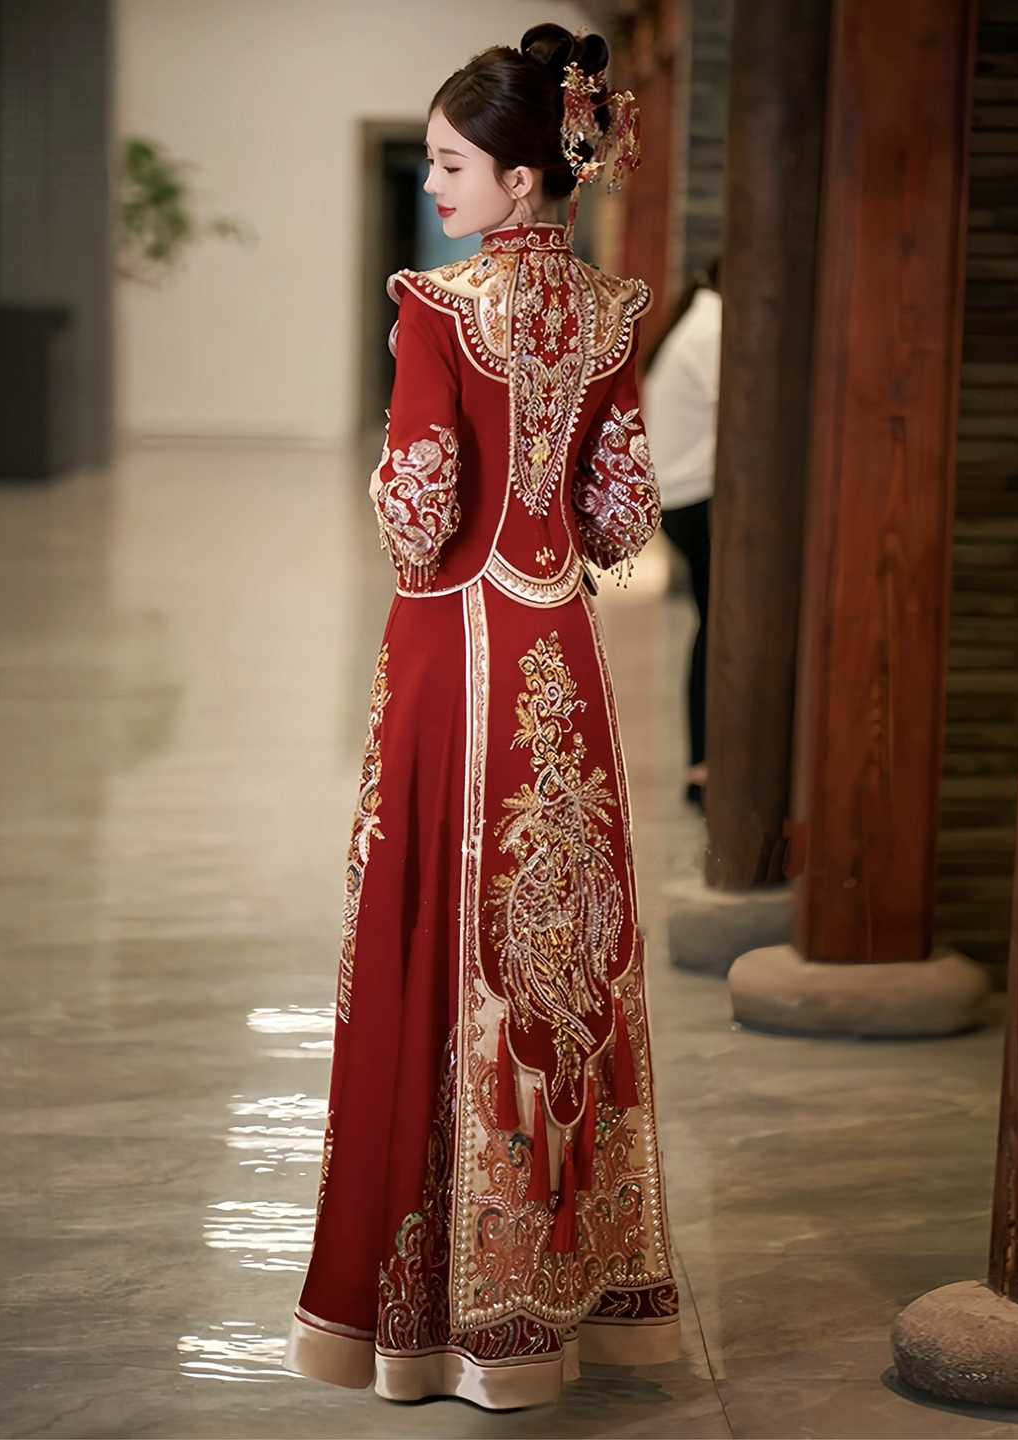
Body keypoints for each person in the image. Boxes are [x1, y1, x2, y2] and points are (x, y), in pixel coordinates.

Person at [283, 24, 679, 1410]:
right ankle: (562, 1295)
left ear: (521, 176)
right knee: (558, 960)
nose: (434, 183)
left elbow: (417, 514)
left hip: (453, 654)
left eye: (452, 164)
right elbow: (622, 517)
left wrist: (398, 485)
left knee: (432, 943)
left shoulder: (436, 310)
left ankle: (429, 1318)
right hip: (561, 651)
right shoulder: (616, 313)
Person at [643, 265, 722, 807]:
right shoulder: (713, 327)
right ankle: (704, 766)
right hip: (698, 500)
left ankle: (703, 765)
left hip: (681, 499)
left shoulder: (700, 317)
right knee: (718, 628)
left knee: (712, 624)